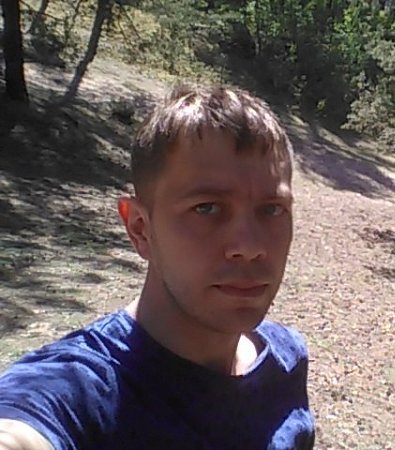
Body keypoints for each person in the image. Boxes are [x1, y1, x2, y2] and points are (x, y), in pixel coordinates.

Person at [0, 83, 315, 450]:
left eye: (272, 209)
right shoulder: (83, 391)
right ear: (140, 228)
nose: (249, 247)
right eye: (207, 208)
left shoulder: (285, 359)